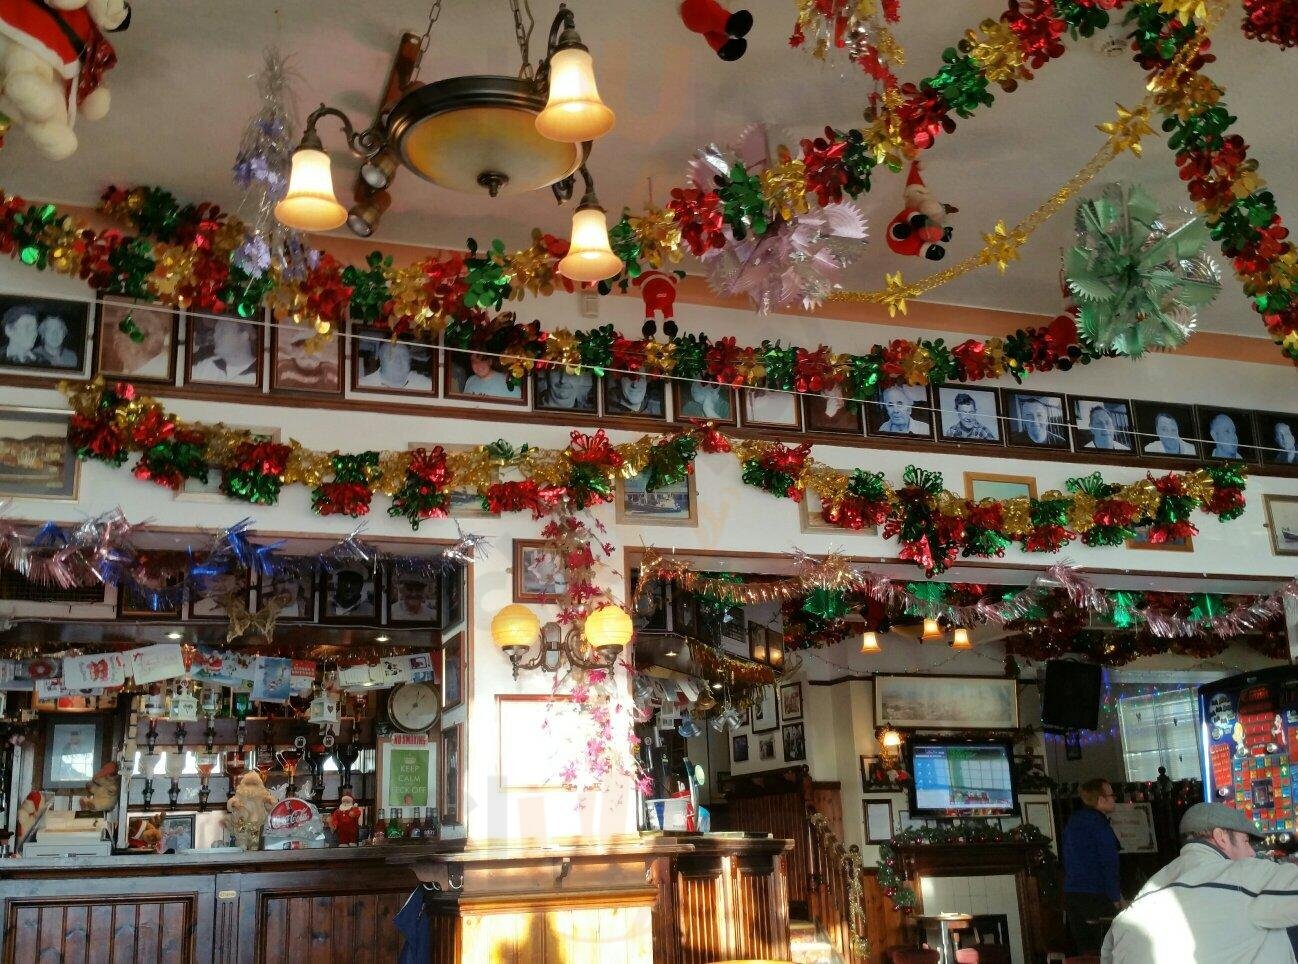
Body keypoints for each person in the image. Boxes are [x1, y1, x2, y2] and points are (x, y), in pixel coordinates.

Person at [1102, 802, 1298, 963]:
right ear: (1221, 837)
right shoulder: (1245, 877)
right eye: (1246, 841)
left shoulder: (1141, 900)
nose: (1252, 853)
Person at [1062, 777, 1122, 954]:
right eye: (1111, 795)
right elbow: (1108, 863)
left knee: (1086, 952)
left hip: (1073, 895)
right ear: (1101, 800)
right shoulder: (1099, 825)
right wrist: (1116, 897)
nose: (1114, 799)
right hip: (1097, 896)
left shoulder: (1073, 821)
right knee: (1107, 950)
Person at [190, 318, 259, 384]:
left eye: (222, 331)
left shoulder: (259, 376)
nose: (215, 336)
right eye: (215, 332)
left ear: (244, 335)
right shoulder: (207, 365)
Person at [360, 340, 430, 391]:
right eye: (392, 356)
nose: (398, 361)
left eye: (404, 356)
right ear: (381, 360)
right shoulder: (363, 385)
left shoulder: (426, 385)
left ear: (410, 361)